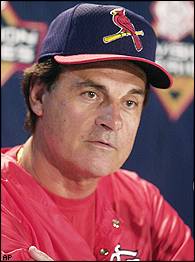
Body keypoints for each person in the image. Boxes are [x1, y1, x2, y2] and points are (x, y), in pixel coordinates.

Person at [1, 3, 194, 261]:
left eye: (129, 102)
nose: (112, 121)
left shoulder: (143, 203)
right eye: (91, 94)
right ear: (38, 95)